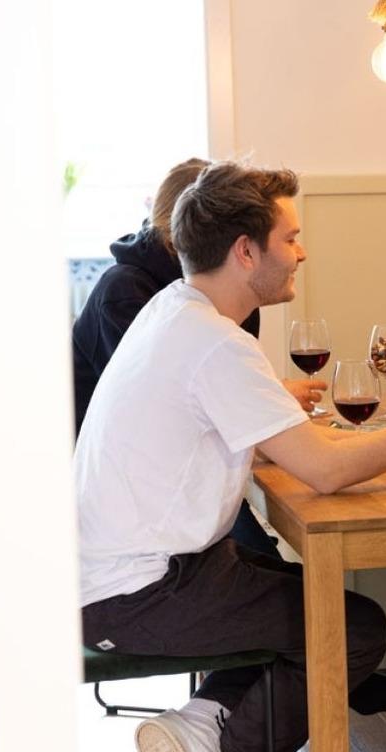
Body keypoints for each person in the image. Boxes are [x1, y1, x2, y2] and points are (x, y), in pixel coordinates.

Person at [76, 160, 386, 752]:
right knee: (352, 629)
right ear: (246, 251)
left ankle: (201, 728)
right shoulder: (217, 344)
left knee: (315, 603)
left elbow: (282, 445)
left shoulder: (176, 310)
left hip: (131, 573)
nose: (302, 253)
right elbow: (324, 472)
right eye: (291, 238)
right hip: (136, 594)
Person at [72, 157, 323, 557]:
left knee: (264, 563)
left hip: (151, 510)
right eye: (290, 239)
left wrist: (267, 403)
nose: (300, 253)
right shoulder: (136, 296)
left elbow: (221, 401)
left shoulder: (197, 299)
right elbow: (179, 410)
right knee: (270, 563)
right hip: (135, 512)